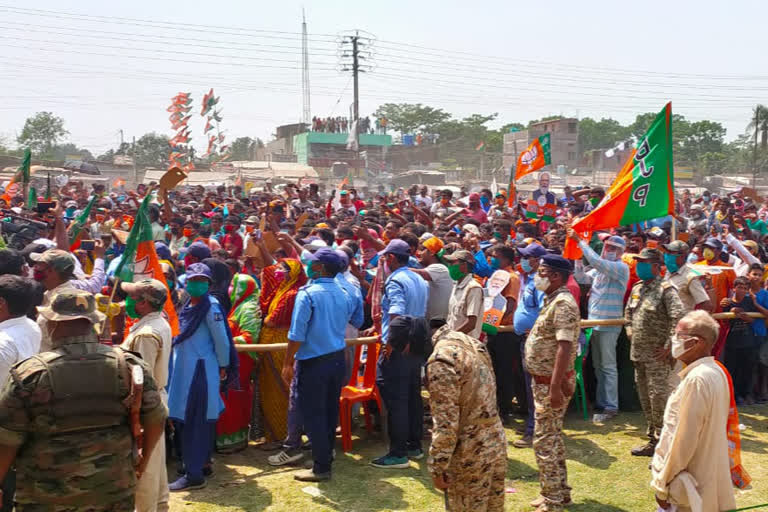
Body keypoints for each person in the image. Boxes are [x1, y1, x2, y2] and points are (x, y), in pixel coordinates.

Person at [0, 290, 167, 511]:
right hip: (114, 491)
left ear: (54, 325)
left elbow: (7, 439)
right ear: (93, 323)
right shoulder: (128, 365)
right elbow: (156, 418)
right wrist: (141, 463)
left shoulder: (30, 374)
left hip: (47, 496)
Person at [282, 248, 358, 482]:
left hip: (314, 361)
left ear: (321, 267)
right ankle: (325, 456)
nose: (308, 266)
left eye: (312, 263)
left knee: (314, 413)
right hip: (336, 358)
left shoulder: (308, 294)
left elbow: (297, 334)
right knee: (328, 410)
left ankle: (321, 467)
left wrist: (287, 363)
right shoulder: (346, 293)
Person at [650, 311, 737, 512]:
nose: (673, 340)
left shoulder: (696, 380)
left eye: (679, 336)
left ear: (696, 342)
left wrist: (662, 485)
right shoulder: (716, 371)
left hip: (691, 485)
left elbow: (682, 440)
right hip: (706, 478)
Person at [167, 263, 237, 491]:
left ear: (208, 283)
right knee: (192, 421)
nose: (197, 284)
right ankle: (200, 464)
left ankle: (194, 474)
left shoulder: (210, 307)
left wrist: (224, 364)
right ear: (186, 281)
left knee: (194, 421)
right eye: (193, 280)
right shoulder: (189, 303)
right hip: (186, 370)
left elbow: (222, 340)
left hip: (198, 372)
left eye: (202, 280)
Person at [426, 325, 506, 512]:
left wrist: (438, 466)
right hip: (494, 438)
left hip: (470, 449)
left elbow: (446, 425)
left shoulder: (441, 360)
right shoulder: (471, 343)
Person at [525, 254, 580, 512]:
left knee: (545, 441)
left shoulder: (564, 303)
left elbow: (565, 347)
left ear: (556, 276)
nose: (538, 274)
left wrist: (556, 387)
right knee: (552, 439)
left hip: (550, 384)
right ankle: (557, 491)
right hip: (544, 382)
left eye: (543, 271)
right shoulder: (553, 299)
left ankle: (553, 501)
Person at [371, 239, 428, 469]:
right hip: (415, 346)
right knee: (413, 397)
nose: (383, 261)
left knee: (396, 400)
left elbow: (396, 313)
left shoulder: (395, 280)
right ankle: (414, 446)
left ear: (392, 258)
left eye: (384, 258)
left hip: (399, 346)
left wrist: (391, 344)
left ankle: (398, 453)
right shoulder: (418, 278)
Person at [625, 248, 685, 457]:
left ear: (656, 266)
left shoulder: (667, 290)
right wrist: (630, 331)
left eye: (644, 262)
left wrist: (669, 346)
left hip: (658, 356)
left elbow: (678, 318)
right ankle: (653, 439)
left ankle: (665, 443)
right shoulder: (637, 288)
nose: (639, 266)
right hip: (639, 354)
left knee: (659, 397)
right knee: (645, 398)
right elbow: (629, 314)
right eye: (638, 262)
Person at [121, 278, 173, 512]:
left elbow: (141, 378)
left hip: (144, 404)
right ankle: (159, 504)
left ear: (143, 303)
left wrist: (135, 415)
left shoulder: (146, 334)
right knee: (155, 461)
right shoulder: (157, 323)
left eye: (133, 297)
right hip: (156, 399)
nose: (128, 301)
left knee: (144, 466)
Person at [570, 230, 629, 423]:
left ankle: (611, 406)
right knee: (598, 366)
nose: (609, 250)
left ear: (621, 252)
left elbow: (596, 262)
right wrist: (578, 258)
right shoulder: (600, 270)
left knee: (608, 366)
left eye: (614, 248)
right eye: (607, 246)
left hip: (609, 324)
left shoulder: (620, 267)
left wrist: (580, 241)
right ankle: (602, 403)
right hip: (594, 323)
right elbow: (582, 278)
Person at [258, 259, 307, 443]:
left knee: (279, 390)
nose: (277, 271)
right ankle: (272, 433)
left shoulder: (291, 294)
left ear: (291, 273)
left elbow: (272, 320)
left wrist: (266, 320)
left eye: (282, 269)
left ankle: (281, 434)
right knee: (269, 389)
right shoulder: (281, 289)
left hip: (279, 344)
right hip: (272, 341)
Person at [216, 273, 262, 452]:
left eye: (235, 286)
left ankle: (233, 439)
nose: (230, 290)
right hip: (233, 359)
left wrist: (225, 341)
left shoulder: (248, 308)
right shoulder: (239, 306)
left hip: (241, 360)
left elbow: (250, 337)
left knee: (233, 397)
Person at [31, 248, 106, 352]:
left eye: (39, 264)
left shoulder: (67, 301)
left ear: (51, 271)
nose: (35, 267)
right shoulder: (50, 293)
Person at [512, 242, 547, 448]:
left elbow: (544, 310)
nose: (523, 260)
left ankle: (534, 431)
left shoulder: (540, 282)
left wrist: (534, 330)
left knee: (534, 387)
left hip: (534, 340)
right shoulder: (528, 279)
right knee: (528, 387)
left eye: (526, 257)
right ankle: (531, 426)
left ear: (537, 260)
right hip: (525, 339)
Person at [410, 235, 452, 331]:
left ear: (432, 252)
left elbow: (420, 273)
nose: (419, 253)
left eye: (422, 250)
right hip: (430, 322)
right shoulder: (433, 268)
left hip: (438, 324)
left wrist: (398, 268)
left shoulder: (439, 268)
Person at [661, 240, 713, 312]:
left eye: (670, 253)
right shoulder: (668, 272)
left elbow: (706, 305)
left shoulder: (690, 277)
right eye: (666, 253)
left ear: (682, 256)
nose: (667, 255)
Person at [443, 249, 484, 339]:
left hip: (465, 343)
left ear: (464, 265)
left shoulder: (473, 288)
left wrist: (452, 337)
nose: (449, 266)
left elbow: (471, 323)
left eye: (452, 263)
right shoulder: (456, 286)